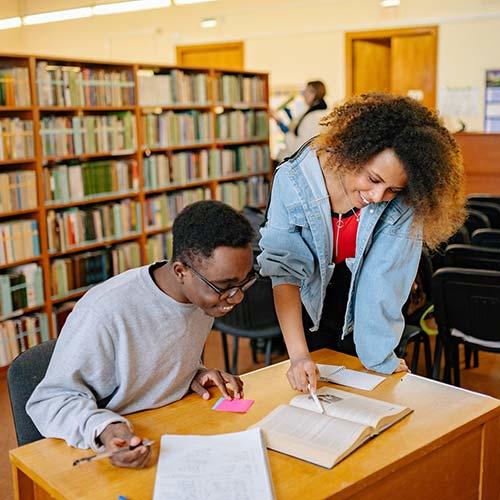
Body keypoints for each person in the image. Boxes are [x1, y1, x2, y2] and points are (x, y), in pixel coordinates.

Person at [258, 93, 466, 393]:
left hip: (368, 318)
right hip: (308, 305)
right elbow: (284, 272)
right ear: (351, 152)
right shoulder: (293, 182)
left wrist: (380, 358)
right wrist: (299, 355)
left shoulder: (405, 203)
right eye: (373, 178)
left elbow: (382, 282)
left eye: (393, 188)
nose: (378, 196)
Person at [27, 200, 256, 468]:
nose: (237, 296)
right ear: (181, 271)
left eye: (244, 282)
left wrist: (192, 373)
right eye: (225, 286)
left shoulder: (203, 296)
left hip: (168, 430)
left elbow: (159, 349)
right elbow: (49, 402)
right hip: (114, 449)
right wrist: (105, 429)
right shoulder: (105, 310)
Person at [271, 80, 328, 161]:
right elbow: (299, 128)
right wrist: (289, 116)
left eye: (306, 91)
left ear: (314, 94)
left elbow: (298, 148)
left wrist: (282, 125)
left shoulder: (312, 117)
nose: (303, 94)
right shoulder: (320, 112)